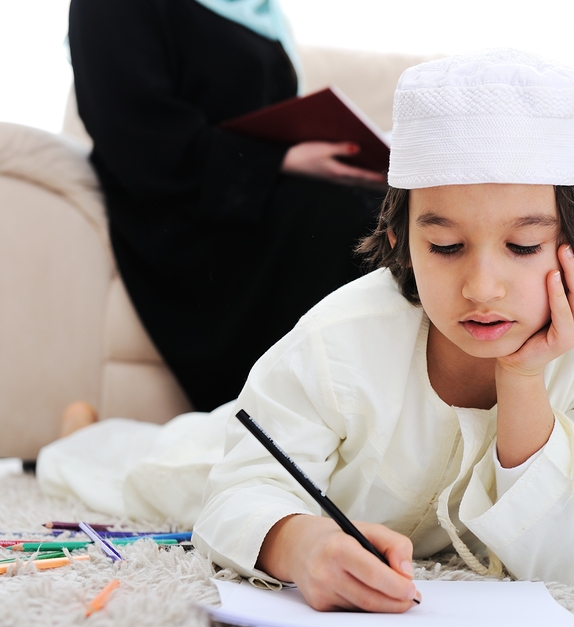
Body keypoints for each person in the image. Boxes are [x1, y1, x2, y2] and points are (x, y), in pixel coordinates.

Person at [38, 48, 574, 610]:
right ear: (398, 240)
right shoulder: (340, 337)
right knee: (151, 467)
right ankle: (82, 435)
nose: (482, 287)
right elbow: (239, 492)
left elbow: (564, 560)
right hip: (220, 452)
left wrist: (522, 376)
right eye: (446, 245)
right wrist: (299, 545)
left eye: (523, 245)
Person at [67, 0, 386, 413]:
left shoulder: (259, 11)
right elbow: (133, 133)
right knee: (345, 221)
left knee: (392, 210)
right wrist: (280, 161)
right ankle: (315, 418)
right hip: (185, 214)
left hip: (264, 192)